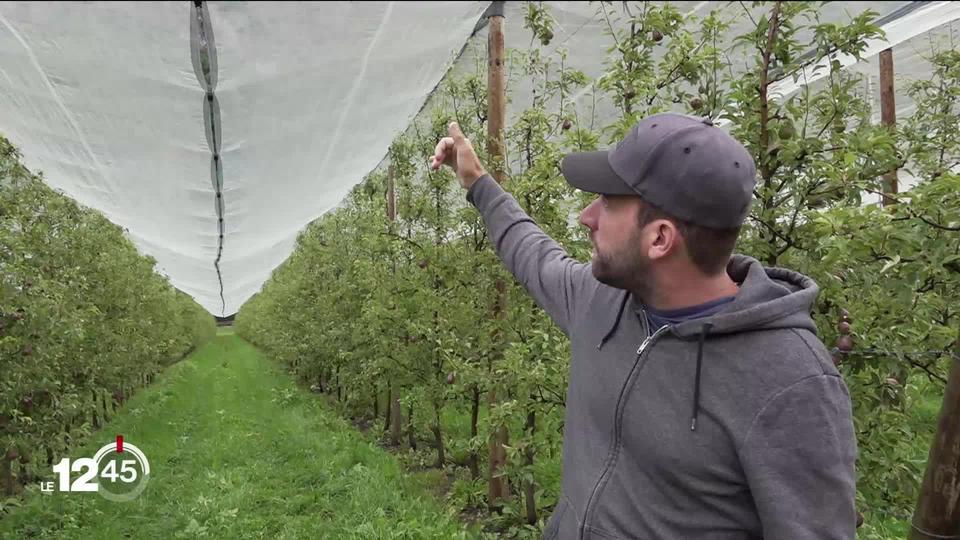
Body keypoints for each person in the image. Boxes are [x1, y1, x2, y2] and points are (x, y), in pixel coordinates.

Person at [430, 113, 857, 540]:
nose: (586, 216)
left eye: (608, 202)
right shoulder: (602, 301)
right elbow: (533, 254)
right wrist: (476, 181)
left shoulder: (790, 382)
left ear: (659, 239)